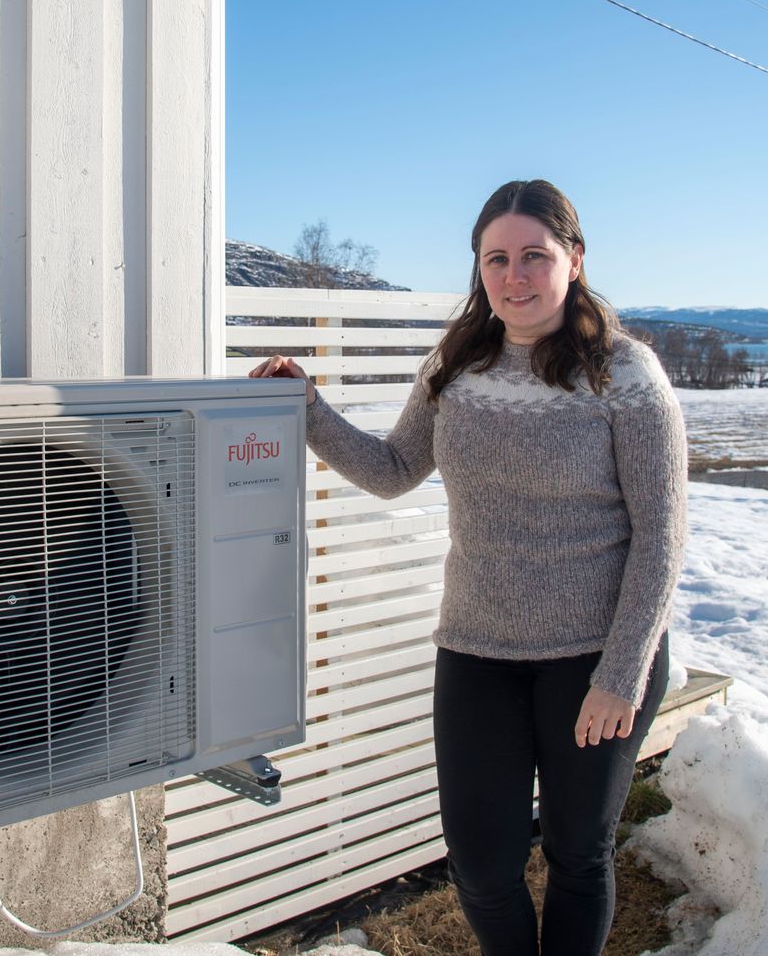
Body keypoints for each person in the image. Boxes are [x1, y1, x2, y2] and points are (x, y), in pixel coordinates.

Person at [250, 179, 687, 956]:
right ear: (479, 269)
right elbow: (391, 469)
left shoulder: (625, 374)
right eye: (497, 259)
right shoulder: (455, 364)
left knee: (575, 852)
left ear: (574, 261)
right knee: (482, 867)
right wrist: (307, 408)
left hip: (597, 658)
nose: (515, 277)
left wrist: (620, 674)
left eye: (534, 256)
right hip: (478, 650)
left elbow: (661, 538)